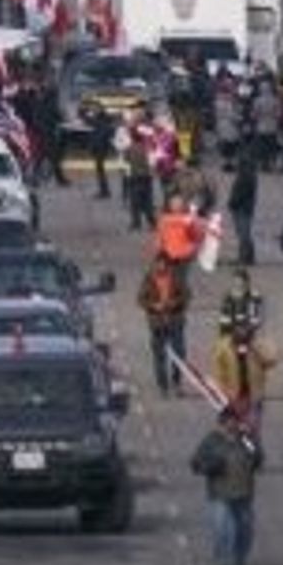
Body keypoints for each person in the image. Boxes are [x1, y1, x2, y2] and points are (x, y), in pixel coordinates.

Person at [191, 404, 263, 565]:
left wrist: (253, 442)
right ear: (222, 423)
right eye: (228, 421)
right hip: (219, 493)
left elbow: (257, 457)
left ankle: (240, 556)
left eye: (235, 421)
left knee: (245, 528)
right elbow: (195, 463)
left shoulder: (245, 440)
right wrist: (211, 466)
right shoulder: (211, 441)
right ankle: (223, 559)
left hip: (244, 491)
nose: (232, 425)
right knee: (223, 527)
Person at [137, 251, 189, 395]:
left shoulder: (177, 277)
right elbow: (141, 299)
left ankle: (177, 383)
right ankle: (163, 386)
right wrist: (154, 305)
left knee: (179, 354)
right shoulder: (149, 279)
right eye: (158, 264)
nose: (161, 266)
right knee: (159, 356)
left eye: (164, 264)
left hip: (175, 322)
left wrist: (173, 303)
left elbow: (186, 296)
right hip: (157, 324)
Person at [121, 114, 158, 230]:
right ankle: (152, 223)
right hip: (146, 177)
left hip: (134, 177)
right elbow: (153, 163)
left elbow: (125, 162)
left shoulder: (129, 149)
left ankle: (136, 223)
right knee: (147, 201)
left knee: (134, 201)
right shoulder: (147, 148)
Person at [154, 194, 203, 271]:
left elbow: (159, 237)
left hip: (174, 252)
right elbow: (197, 237)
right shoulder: (188, 220)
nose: (176, 206)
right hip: (180, 252)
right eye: (175, 204)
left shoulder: (164, 219)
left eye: (178, 204)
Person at [227, 155, 259, 266]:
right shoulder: (250, 175)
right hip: (246, 208)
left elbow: (240, 193)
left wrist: (232, 203)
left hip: (242, 208)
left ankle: (243, 257)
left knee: (243, 234)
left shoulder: (244, 177)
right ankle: (249, 257)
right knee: (245, 233)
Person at [86, 104, 115, 199]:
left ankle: (104, 191)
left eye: (95, 108)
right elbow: (89, 122)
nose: (93, 110)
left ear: (100, 109)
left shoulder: (102, 120)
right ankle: (104, 190)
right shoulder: (100, 119)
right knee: (99, 169)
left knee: (100, 169)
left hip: (101, 147)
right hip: (100, 147)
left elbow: (100, 131)